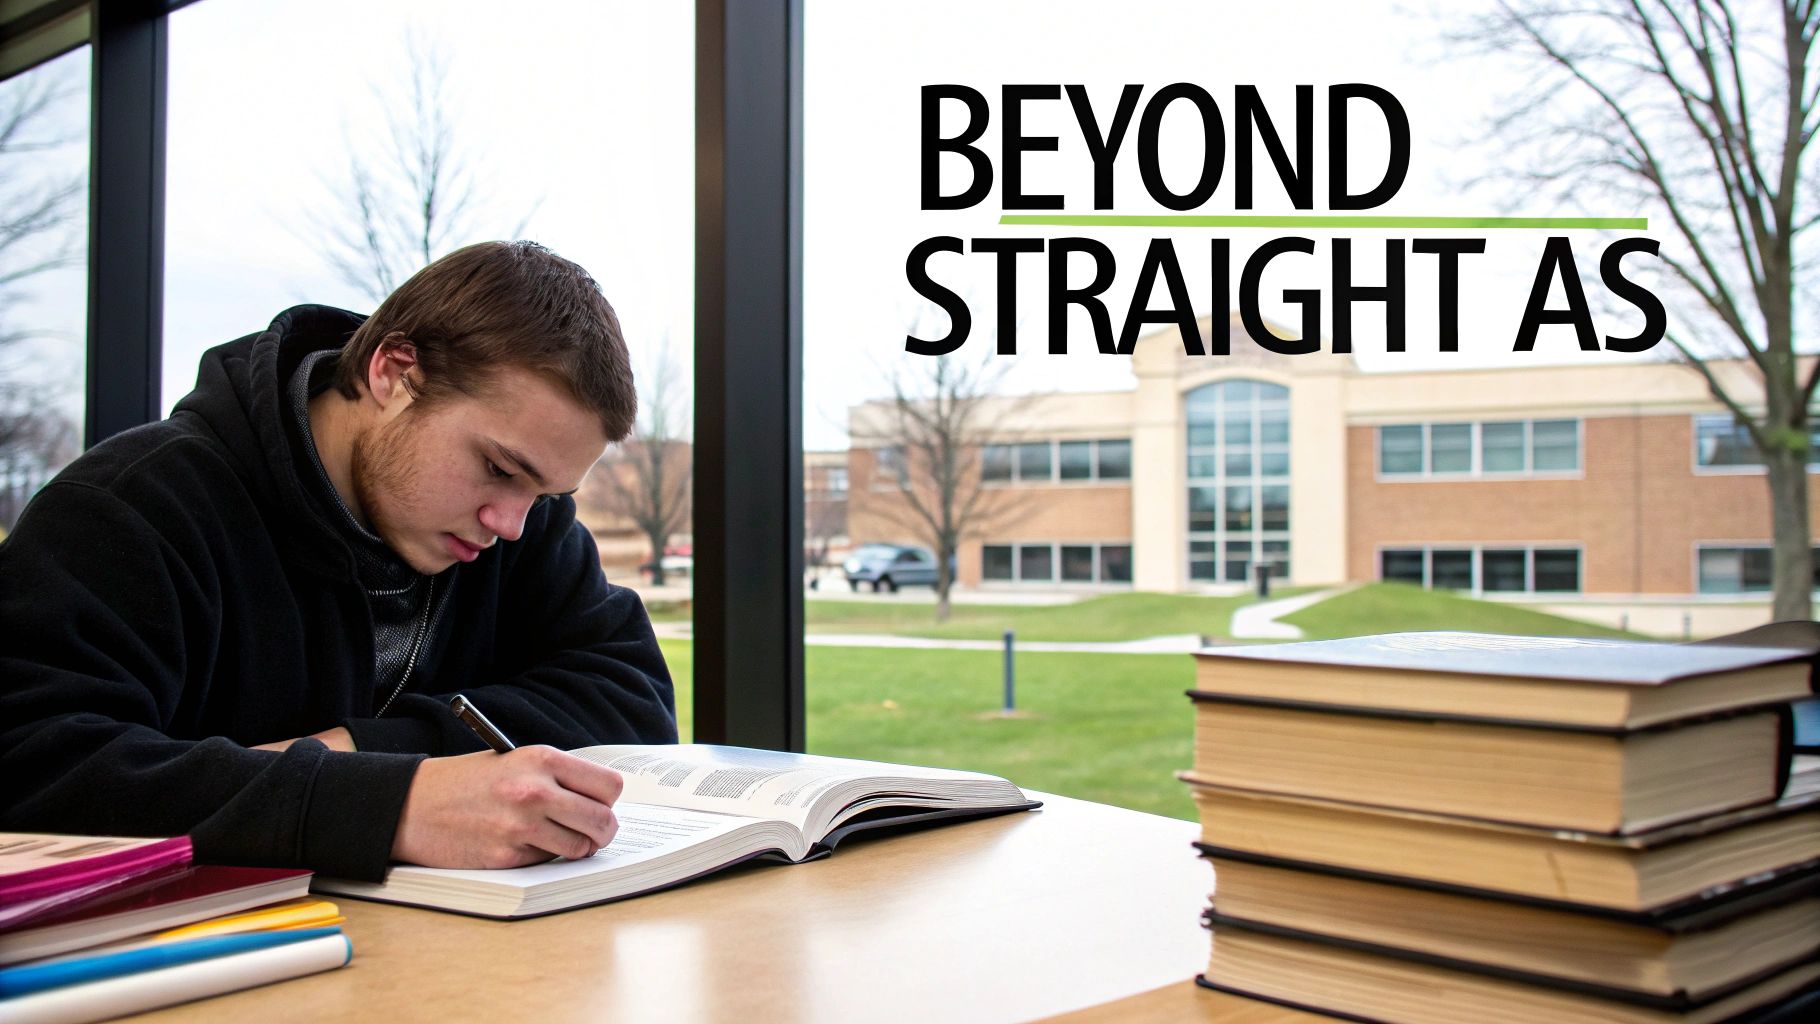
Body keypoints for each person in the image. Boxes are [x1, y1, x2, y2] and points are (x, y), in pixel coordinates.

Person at [0, 241, 677, 881]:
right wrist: (394, 805)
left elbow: (634, 703)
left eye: (546, 492)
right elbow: (31, 767)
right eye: (497, 468)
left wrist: (362, 748)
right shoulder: (131, 507)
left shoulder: (519, 521)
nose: (511, 524)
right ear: (392, 371)